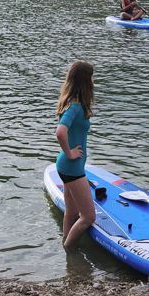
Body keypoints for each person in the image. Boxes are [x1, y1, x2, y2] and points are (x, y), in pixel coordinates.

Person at [54, 60, 96, 249]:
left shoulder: (73, 104)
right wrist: (70, 153)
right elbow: (60, 132)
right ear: (85, 81)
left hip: (68, 167)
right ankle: (69, 249)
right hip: (72, 168)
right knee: (88, 217)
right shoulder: (75, 107)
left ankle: (67, 255)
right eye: (91, 79)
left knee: (71, 212)